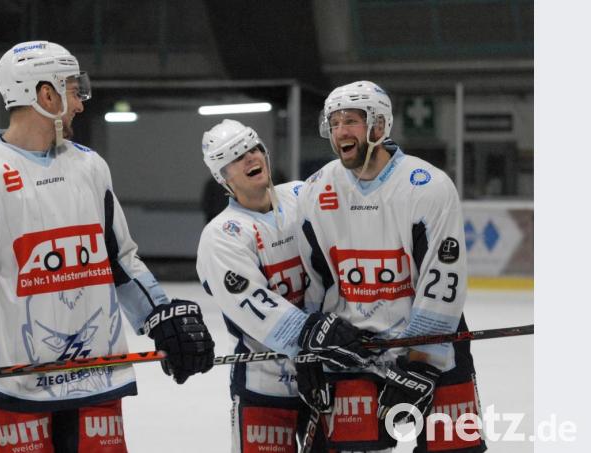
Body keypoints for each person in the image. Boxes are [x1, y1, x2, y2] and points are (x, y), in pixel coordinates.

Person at [0, 41, 215, 453]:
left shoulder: (89, 165)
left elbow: (120, 260)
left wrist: (161, 316)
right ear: (44, 95)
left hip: (96, 381)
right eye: (71, 88)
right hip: (15, 387)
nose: (80, 103)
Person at [295, 81, 486, 452]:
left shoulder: (427, 186)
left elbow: (443, 279)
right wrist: (310, 348)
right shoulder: (317, 190)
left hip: (433, 347)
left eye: (350, 121)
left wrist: (422, 362)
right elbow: (315, 280)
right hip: (353, 350)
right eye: (333, 123)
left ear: (380, 126)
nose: (339, 132)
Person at [196, 119, 328, 452]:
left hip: (327, 374)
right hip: (264, 386)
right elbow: (257, 307)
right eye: (238, 156)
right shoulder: (221, 235)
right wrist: (318, 339)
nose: (252, 158)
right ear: (223, 177)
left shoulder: (301, 196)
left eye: (254, 149)